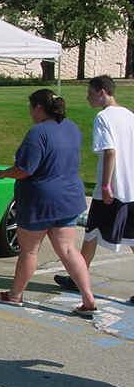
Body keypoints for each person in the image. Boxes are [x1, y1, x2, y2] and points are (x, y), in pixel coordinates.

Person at [0, 89, 97, 316]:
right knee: (68, 249)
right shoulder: (72, 127)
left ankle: (15, 295)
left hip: (39, 201)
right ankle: (88, 298)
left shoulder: (37, 133)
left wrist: (3, 173)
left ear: (39, 107)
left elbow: (25, 169)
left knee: (29, 251)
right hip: (69, 198)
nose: (30, 112)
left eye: (31, 107)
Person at [53, 76, 134, 306]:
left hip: (112, 189)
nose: (87, 97)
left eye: (90, 93)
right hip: (131, 188)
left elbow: (110, 151)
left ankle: (77, 277)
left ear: (102, 92)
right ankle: (77, 276)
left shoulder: (103, 117)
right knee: (105, 235)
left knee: (92, 232)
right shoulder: (130, 115)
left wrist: (106, 185)